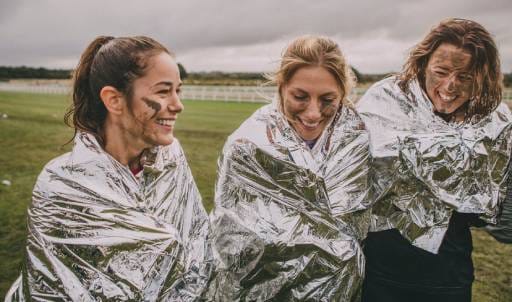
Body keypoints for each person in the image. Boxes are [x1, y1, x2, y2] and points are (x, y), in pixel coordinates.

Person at [5, 36, 210, 301]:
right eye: (162, 91)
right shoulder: (62, 186)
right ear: (114, 100)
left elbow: (197, 243)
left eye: (178, 91)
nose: (177, 105)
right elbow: (53, 289)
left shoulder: (172, 159)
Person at [205, 36, 372, 301]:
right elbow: (232, 238)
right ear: (282, 87)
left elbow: (350, 226)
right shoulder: (247, 145)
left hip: (337, 289)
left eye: (328, 99)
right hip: (260, 290)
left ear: (343, 93)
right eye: (300, 97)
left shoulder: (355, 138)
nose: (313, 113)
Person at [356, 18, 512, 302]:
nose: (450, 86)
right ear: (423, 63)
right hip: (381, 269)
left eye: (465, 77)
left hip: (447, 275)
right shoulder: (385, 101)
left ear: (480, 77)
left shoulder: (492, 121)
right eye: (441, 71)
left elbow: (487, 209)